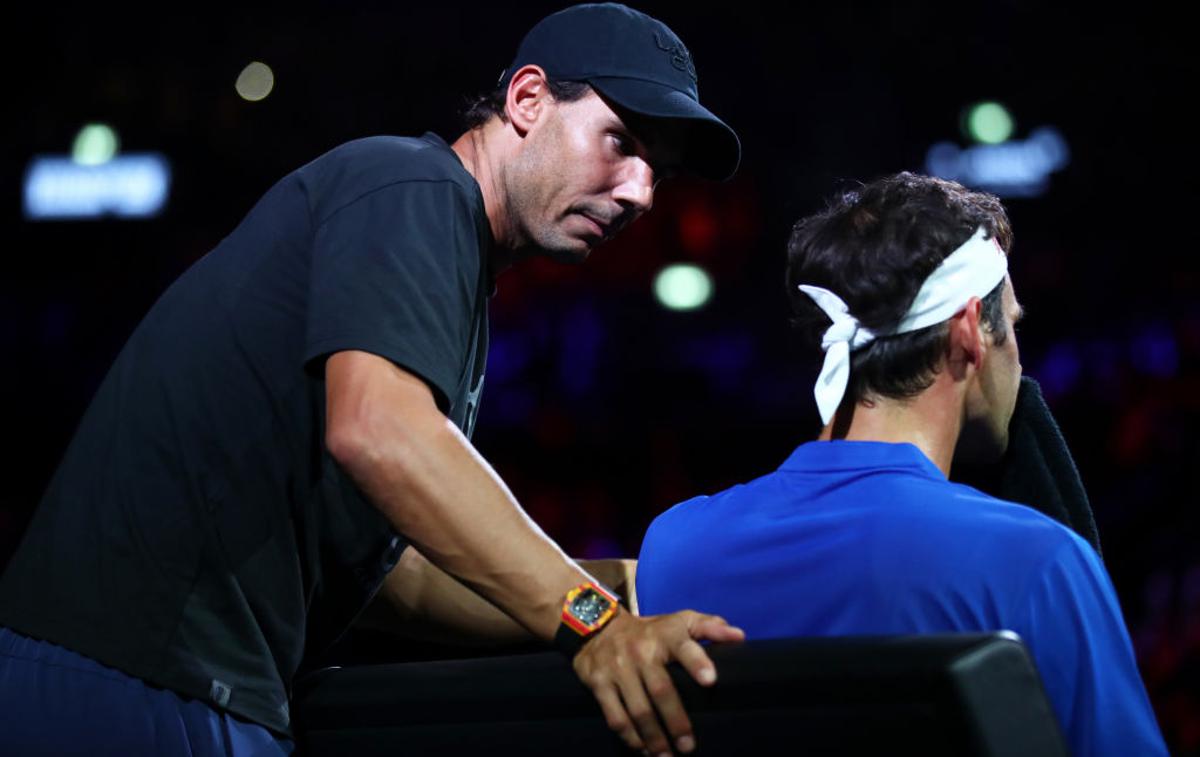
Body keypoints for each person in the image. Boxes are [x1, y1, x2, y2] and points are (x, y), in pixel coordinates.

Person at [0, 5, 745, 756]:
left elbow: (397, 575)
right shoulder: (412, 187)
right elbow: (378, 432)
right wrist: (592, 621)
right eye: (621, 142)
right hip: (130, 679)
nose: (641, 192)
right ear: (526, 100)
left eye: (660, 170)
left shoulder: (446, 259)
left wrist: (628, 586)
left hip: (165, 680)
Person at [635, 173, 1167, 755]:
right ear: (970, 331)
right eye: (1011, 326)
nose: (1017, 357)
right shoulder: (1038, 559)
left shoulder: (673, 545)